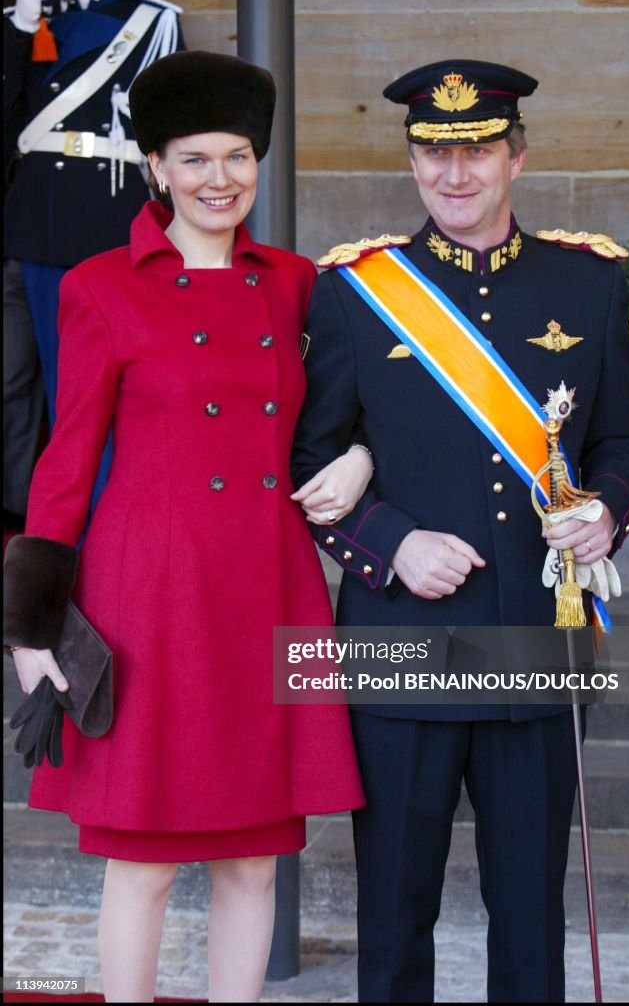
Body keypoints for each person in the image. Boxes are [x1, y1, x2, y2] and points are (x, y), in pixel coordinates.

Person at [3, 50, 370, 1003]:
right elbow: (68, 455)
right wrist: (31, 625)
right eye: (196, 159)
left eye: (239, 157)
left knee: (255, 859)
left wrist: (362, 458)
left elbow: (342, 416)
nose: (222, 180)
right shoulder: (98, 286)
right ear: (156, 168)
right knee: (147, 861)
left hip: (268, 587)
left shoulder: (299, 284)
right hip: (148, 594)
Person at [291, 59, 629, 1002]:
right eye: (432, 154)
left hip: (535, 629)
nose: (454, 176)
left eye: (478, 153)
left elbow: (622, 440)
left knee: (530, 909)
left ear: (516, 158)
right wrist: (390, 542)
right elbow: (306, 463)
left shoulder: (588, 284)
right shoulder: (355, 292)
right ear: (411, 160)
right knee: (395, 905)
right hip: (399, 635)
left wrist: (605, 508)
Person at [3, 0, 184, 523]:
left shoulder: (151, 20)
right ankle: (18, 515)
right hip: (28, 224)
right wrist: (19, 28)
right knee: (11, 384)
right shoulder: (24, 22)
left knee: (79, 391)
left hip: (98, 224)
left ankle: (88, 519)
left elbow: (169, 127)